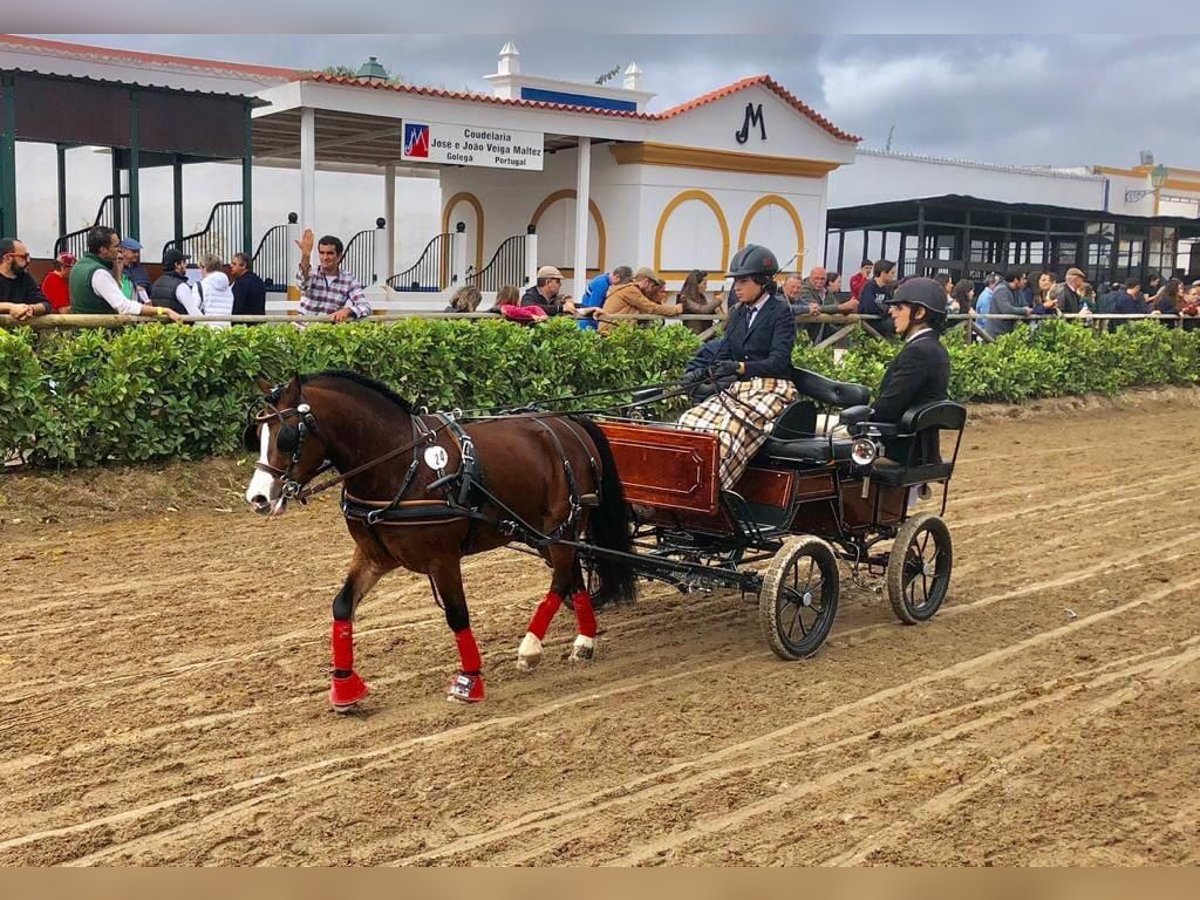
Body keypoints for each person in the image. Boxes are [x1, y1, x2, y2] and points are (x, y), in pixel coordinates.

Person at [677, 244, 797, 490]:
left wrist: (740, 367)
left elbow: (779, 361)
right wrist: (700, 368)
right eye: (735, 282)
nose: (737, 287)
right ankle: (683, 486)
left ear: (762, 281)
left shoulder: (780, 312)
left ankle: (711, 492)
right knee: (689, 420)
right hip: (741, 388)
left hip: (773, 386)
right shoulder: (738, 312)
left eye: (743, 281)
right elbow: (725, 347)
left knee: (729, 430)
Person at [69, 226, 181, 321]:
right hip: (97, 336)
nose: (119, 250)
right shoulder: (99, 273)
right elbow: (123, 306)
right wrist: (162, 310)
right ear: (103, 249)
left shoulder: (79, 265)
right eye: (116, 246)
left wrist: (116, 269)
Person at [296, 229, 372, 321]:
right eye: (322, 253)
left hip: (328, 331)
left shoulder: (348, 279)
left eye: (330, 253)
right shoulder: (313, 273)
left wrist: (347, 310)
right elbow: (303, 283)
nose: (325, 257)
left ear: (339, 256)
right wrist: (305, 256)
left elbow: (365, 306)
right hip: (302, 329)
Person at [597, 266, 682, 335]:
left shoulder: (629, 288)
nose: (651, 289)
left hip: (612, 330)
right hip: (611, 331)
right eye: (652, 286)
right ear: (646, 282)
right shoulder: (631, 290)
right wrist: (675, 310)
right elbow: (651, 308)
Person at [0, 237, 52, 320]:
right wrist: (10, 307)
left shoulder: (25, 277)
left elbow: (46, 305)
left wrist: (30, 309)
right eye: (23, 257)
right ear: (7, 258)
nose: (28, 260)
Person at [577, 265, 632, 330]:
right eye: (621, 284)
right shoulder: (601, 285)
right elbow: (593, 308)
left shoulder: (605, 278)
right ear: (617, 277)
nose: (619, 286)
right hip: (588, 323)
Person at [193, 253, 235, 328]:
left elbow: (194, 309)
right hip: (225, 329)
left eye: (200, 268)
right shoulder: (228, 287)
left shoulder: (200, 286)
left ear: (204, 267)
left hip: (207, 330)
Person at [677, 268, 724, 335]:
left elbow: (706, 309)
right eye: (704, 284)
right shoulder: (684, 298)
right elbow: (701, 310)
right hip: (694, 335)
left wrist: (716, 309)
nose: (706, 287)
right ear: (696, 284)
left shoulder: (701, 297)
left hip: (705, 332)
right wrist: (718, 300)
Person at [150, 248, 196, 315]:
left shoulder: (155, 284)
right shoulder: (181, 286)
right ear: (177, 264)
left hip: (160, 324)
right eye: (184, 262)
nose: (186, 265)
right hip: (180, 324)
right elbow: (194, 313)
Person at [858, 259, 897, 336]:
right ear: (883, 273)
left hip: (880, 320)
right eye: (892, 273)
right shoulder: (869, 286)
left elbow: (891, 303)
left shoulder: (886, 289)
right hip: (868, 323)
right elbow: (869, 307)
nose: (894, 276)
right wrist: (887, 309)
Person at [988, 269, 1031, 336]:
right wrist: (1024, 311)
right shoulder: (1001, 290)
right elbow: (1006, 309)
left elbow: (1025, 305)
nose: (1025, 281)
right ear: (1016, 280)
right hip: (997, 333)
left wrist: (1025, 309)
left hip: (1009, 332)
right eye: (1023, 279)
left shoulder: (1018, 291)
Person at [230, 251, 267, 321]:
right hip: (259, 323)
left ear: (243, 265)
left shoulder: (241, 283)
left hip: (243, 325)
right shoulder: (259, 281)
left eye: (234, 264)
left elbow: (237, 307)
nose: (231, 266)